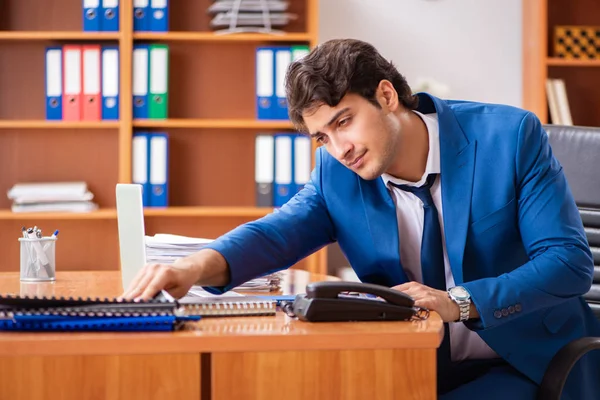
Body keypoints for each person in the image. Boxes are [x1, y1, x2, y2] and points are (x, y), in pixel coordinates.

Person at [121, 38, 600, 399]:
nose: (339, 148)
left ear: (387, 96)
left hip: (525, 362)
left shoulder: (509, 136)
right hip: (412, 362)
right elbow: (275, 233)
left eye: (344, 121)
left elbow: (568, 262)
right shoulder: (337, 173)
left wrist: (458, 301)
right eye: (322, 136)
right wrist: (194, 267)